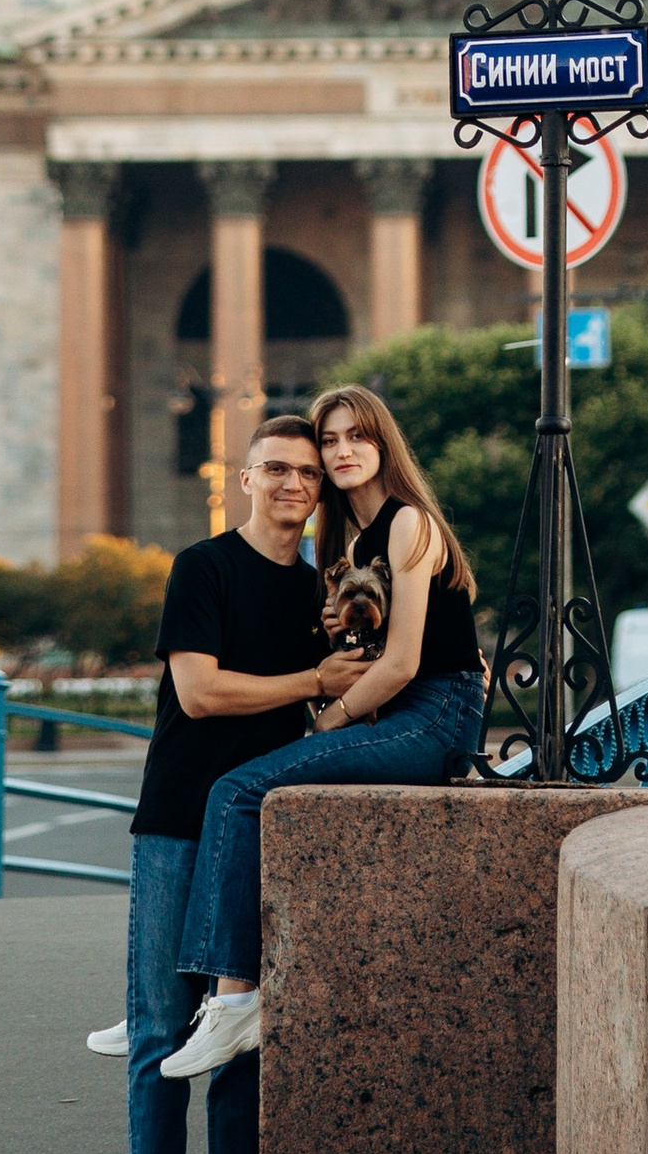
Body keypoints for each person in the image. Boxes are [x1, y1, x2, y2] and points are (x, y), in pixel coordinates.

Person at [160, 382, 486, 1085]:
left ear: (382, 444)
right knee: (246, 785)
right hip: (405, 710)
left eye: (355, 438)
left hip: (433, 712)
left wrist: (326, 716)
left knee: (241, 788)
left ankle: (234, 998)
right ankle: (205, 999)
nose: (340, 452)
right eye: (328, 440)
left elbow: (402, 663)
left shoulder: (406, 521)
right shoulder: (352, 539)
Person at [120, 415, 369, 1154]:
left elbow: (353, 700)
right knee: (160, 1024)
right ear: (246, 479)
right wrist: (313, 681)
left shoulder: (325, 594)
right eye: (276, 468)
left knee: (238, 1034)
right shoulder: (203, 566)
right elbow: (199, 693)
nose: (295, 482)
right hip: (180, 818)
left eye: (308, 471)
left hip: (265, 828)